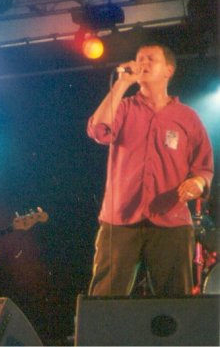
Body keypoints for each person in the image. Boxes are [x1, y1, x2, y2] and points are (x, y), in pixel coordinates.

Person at [87, 43, 214, 296]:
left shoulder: (187, 117)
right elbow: (98, 130)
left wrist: (198, 183)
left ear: (168, 70)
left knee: (174, 301)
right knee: (105, 299)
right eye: (139, 58)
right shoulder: (123, 108)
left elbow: (203, 166)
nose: (142, 63)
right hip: (121, 218)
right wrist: (122, 84)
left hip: (171, 220)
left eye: (150, 59)